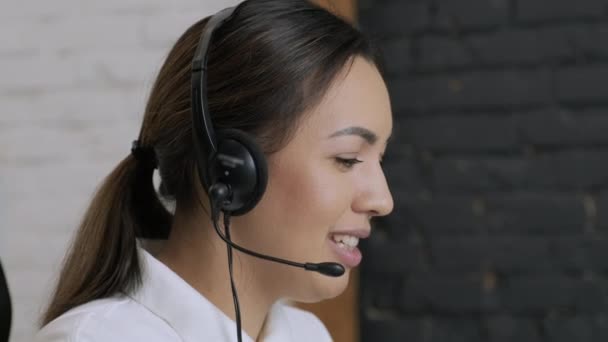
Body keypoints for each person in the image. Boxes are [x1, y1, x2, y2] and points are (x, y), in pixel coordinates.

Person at [35, 0, 393, 341]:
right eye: (347, 159)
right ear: (230, 166)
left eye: (380, 158)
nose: (383, 200)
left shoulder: (306, 334)